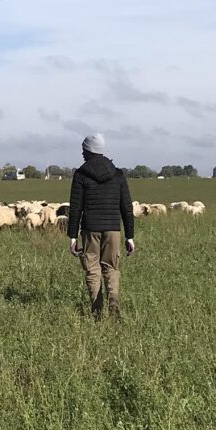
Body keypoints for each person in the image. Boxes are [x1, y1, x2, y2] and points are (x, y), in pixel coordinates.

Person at [66, 133, 136, 320]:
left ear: (89, 151)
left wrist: (72, 236)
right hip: (113, 228)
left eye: (83, 150)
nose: (82, 154)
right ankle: (113, 302)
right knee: (111, 267)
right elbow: (126, 207)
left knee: (92, 268)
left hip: (90, 229)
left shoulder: (81, 175)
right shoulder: (118, 174)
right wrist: (130, 236)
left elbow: (75, 207)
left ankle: (97, 311)